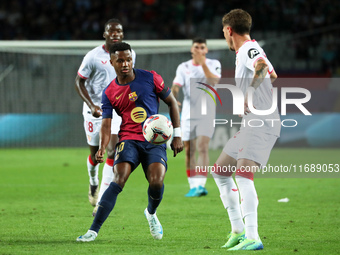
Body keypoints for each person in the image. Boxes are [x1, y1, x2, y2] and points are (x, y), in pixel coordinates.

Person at [76, 42, 183, 242]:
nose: (125, 64)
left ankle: (151, 213)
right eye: (121, 60)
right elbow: (106, 125)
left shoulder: (150, 77)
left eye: (128, 59)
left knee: (157, 182)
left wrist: (177, 135)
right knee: (118, 179)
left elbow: (172, 103)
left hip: (153, 140)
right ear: (112, 62)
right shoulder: (109, 92)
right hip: (128, 139)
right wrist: (101, 148)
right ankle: (93, 230)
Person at [212, 9, 280, 250]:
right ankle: (238, 230)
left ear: (229, 30)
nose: (224, 36)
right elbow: (272, 74)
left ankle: (253, 236)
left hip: (261, 121)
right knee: (220, 171)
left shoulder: (249, 49)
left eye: (223, 32)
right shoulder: (248, 50)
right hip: (253, 123)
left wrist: (250, 94)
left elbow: (262, 67)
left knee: (242, 175)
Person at [75, 19, 136, 216]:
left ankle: (100, 201)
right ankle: (93, 182)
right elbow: (79, 82)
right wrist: (91, 104)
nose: (115, 34)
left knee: (112, 151)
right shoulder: (93, 56)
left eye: (119, 31)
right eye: (111, 31)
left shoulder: (129, 53)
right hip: (95, 112)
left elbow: (128, 79)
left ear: (122, 34)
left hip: (116, 111)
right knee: (95, 156)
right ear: (105, 34)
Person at [172, 38, 221, 197]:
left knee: (202, 147)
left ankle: (200, 184)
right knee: (189, 151)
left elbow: (214, 81)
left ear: (206, 50)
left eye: (202, 47)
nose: (199, 50)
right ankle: (193, 185)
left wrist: (203, 64)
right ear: (192, 50)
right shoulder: (183, 67)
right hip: (188, 114)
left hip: (207, 113)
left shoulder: (214, 64)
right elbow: (176, 86)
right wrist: (174, 98)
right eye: (196, 47)